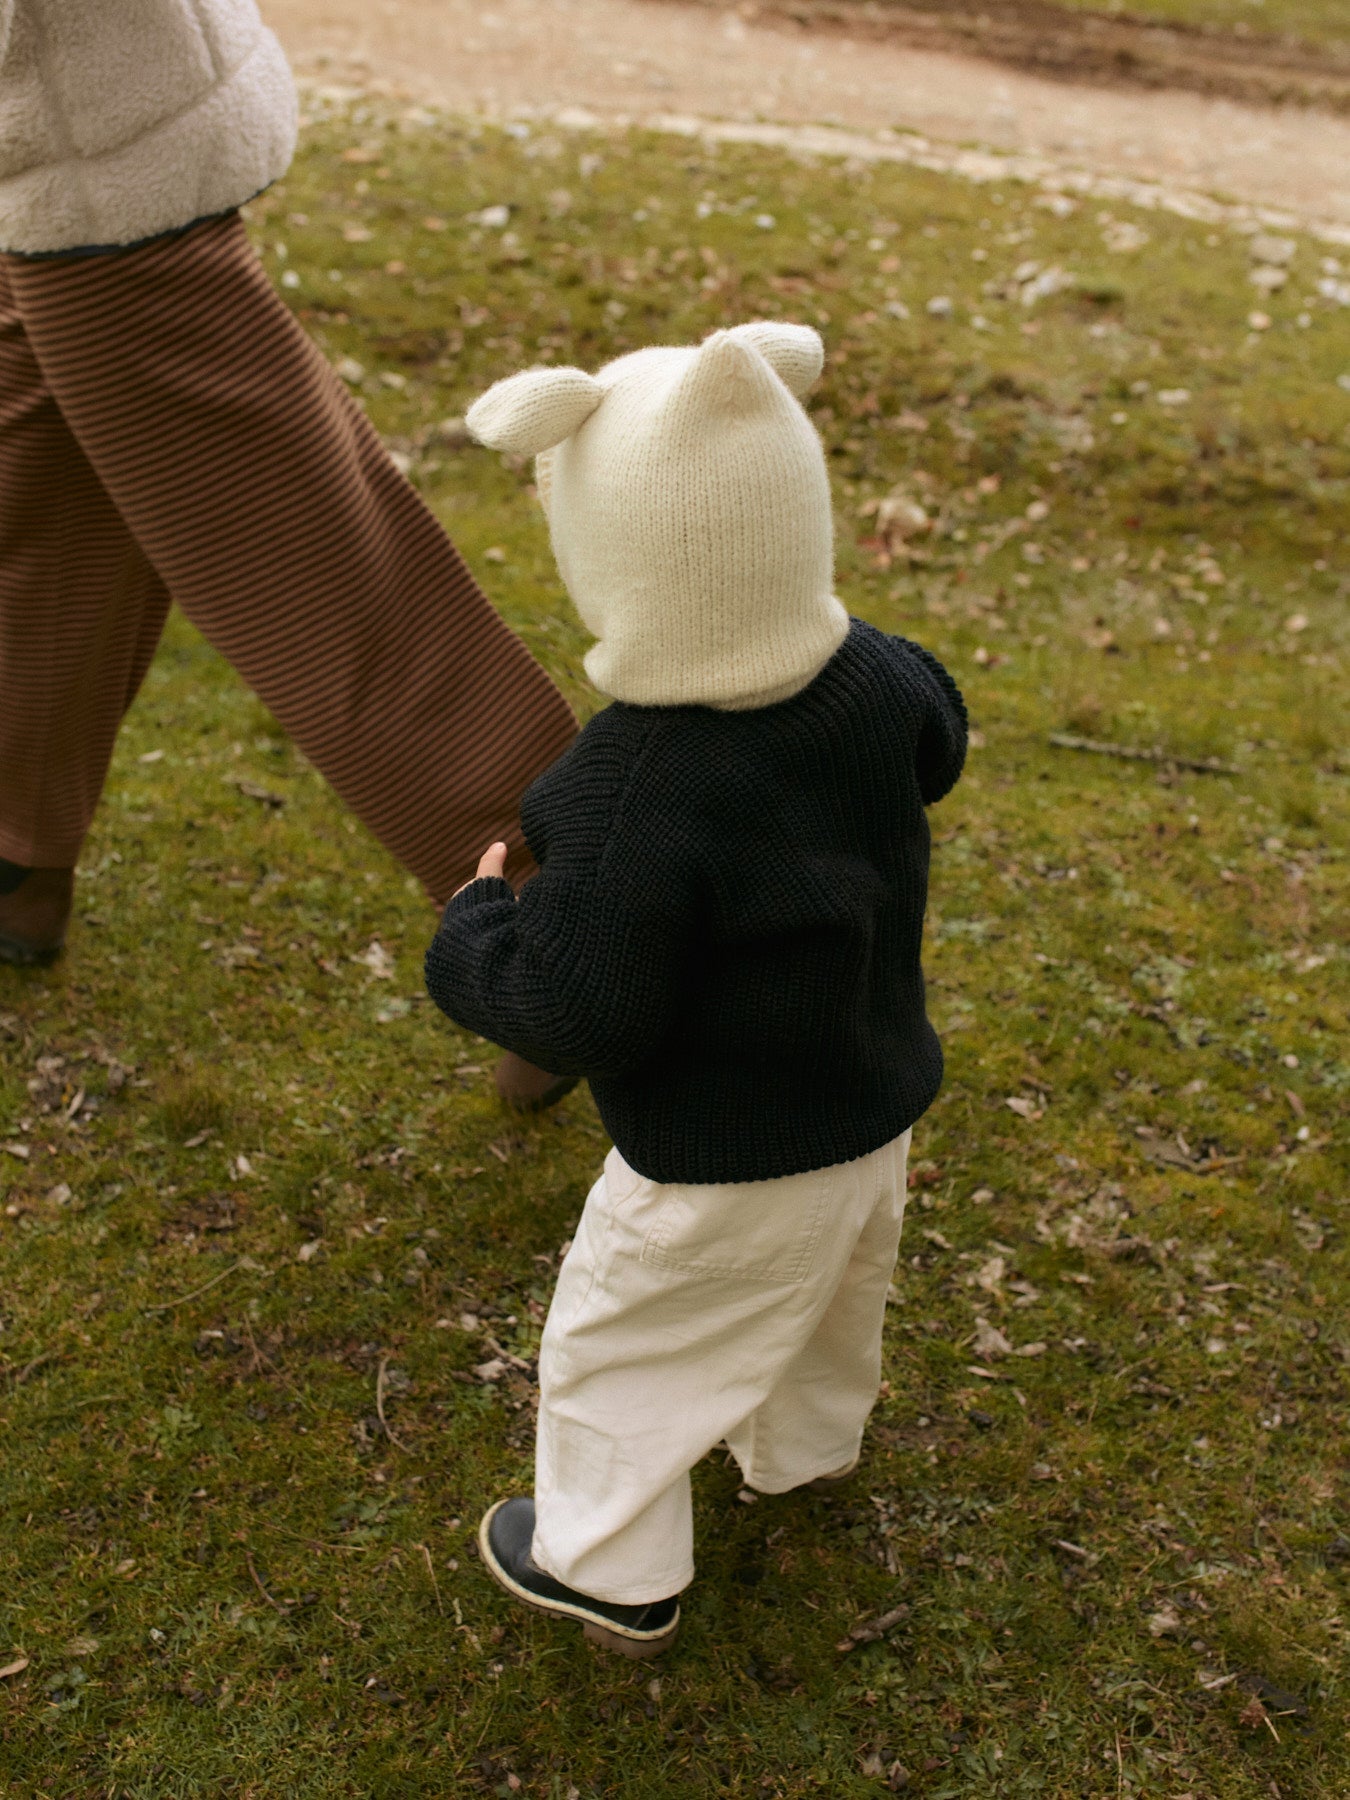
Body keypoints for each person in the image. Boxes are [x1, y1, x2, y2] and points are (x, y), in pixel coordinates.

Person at [424, 321, 968, 1657]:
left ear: (610, 560)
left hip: (719, 1160)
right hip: (867, 1105)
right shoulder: (874, 678)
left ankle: (602, 1564)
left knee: (629, 1343)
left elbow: (584, 1010)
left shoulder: (631, 789)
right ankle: (805, 1453)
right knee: (832, 1296)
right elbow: (939, 741)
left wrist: (475, 938)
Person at [0, 0, 577, 1109]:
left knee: (307, 557)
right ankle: (16, 851)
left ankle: (572, 920)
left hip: (95, 137)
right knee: (36, 481)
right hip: (54, 127)